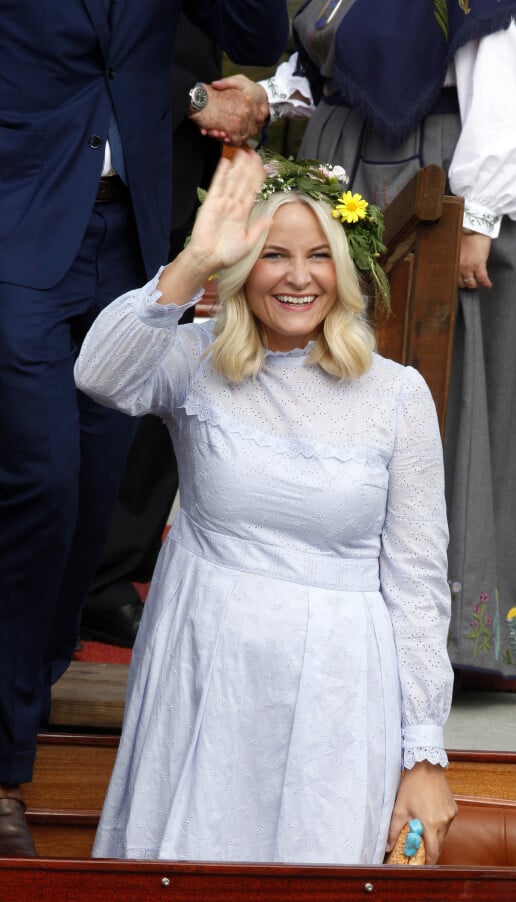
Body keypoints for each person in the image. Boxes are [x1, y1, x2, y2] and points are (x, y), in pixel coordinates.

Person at [75, 148, 457, 864]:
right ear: (243, 265)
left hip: (340, 688)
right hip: (203, 666)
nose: (297, 275)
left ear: (345, 270)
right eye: (272, 253)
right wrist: (192, 263)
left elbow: (416, 585)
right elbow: (98, 374)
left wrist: (424, 753)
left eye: (318, 255)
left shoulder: (397, 396)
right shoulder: (195, 360)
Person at [207, 0, 516, 682]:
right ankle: (337, 612)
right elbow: (330, 68)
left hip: (443, 184)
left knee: (441, 395)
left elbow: (510, 95)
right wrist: (267, 94)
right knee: (340, 388)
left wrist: (477, 220)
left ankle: (447, 637)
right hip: (354, 170)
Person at [0, 0, 288, 857]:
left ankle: (26, 684)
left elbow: (260, 37)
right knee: (40, 481)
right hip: (20, 219)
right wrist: (196, 96)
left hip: (132, 233)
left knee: (93, 499)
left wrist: (200, 89)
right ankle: (7, 759)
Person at [81, 17, 224, 648]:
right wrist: (194, 96)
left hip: (171, 165)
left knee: (149, 395)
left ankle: (107, 573)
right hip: (73, 165)